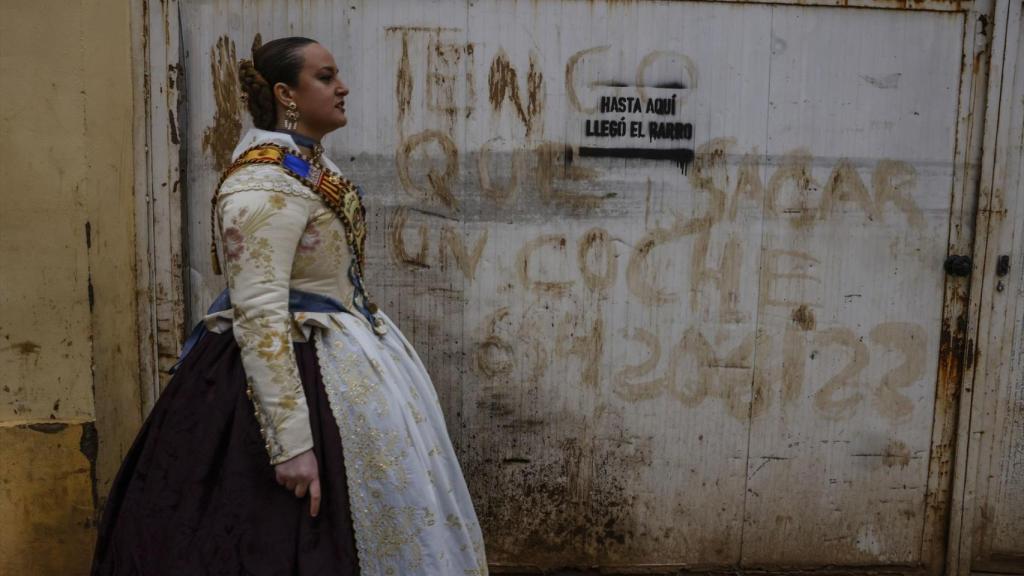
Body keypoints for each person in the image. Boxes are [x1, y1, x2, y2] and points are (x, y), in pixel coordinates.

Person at [91, 36, 488, 575]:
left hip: (341, 353)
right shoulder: (260, 184)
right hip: (282, 372)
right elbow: (259, 315)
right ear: (286, 94)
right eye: (326, 77)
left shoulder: (302, 164)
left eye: (336, 74)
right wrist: (292, 447)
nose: (342, 87)